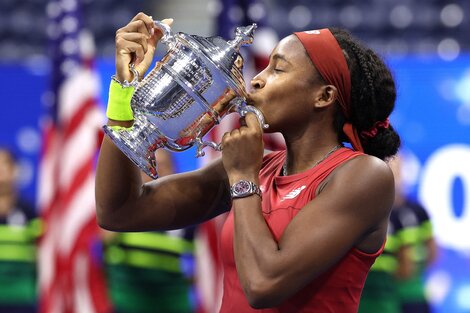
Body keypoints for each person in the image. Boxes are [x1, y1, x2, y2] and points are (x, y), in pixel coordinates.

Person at [95, 12, 401, 313]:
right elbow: (120, 212)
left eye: (277, 70)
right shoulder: (259, 166)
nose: (255, 80)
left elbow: (264, 284)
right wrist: (125, 91)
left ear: (323, 96)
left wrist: (242, 176)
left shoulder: (363, 175)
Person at [101, 150, 195, 313]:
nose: (156, 174)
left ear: (175, 172)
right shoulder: (119, 215)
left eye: (164, 166)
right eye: (150, 167)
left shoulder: (192, 217)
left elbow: (198, 271)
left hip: (176, 306)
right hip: (126, 306)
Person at [389, 156, 437, 313]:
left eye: (398, 168)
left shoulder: (418, 211)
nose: (394, 173)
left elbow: (432, 251)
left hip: (413, 295)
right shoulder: (372, 213)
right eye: (389, 167)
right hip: (384, 297)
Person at [0, 147, 42, 313]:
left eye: (5, 164)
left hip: (23, 303)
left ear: (15, 170)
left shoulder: (32, 214)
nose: (1, 171)